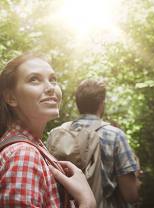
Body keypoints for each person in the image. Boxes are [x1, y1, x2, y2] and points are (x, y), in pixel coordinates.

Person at [0, 53, 96, 208]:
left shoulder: (33, 147)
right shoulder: (23, 153)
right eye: (34, 79)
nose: (51, 87)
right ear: (11, 97)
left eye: (53, 80)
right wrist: (87, 202)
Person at [49, 78, 140, 207]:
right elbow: (131, 195)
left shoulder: (56, 133)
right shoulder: (114, 135)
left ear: (78, 104)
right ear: (102, 104)